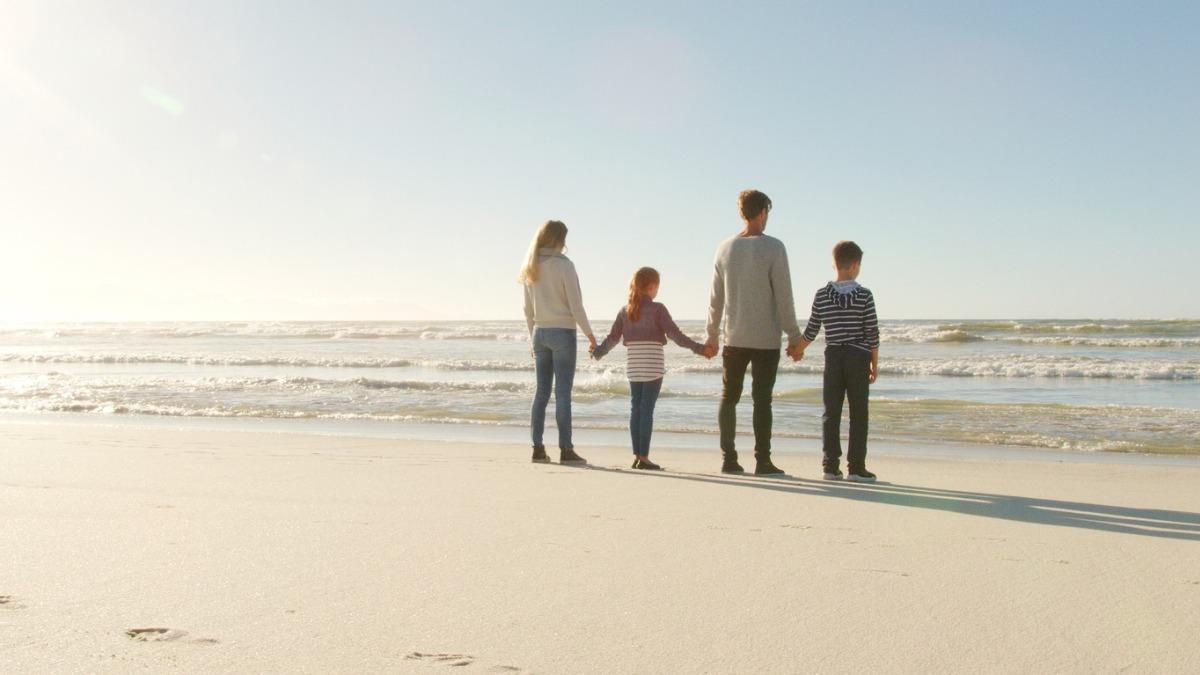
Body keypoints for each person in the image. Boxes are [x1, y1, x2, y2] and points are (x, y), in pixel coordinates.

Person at [704, 190, 804, 475]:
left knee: (729, 397)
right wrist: (795, 338)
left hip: (734, 337)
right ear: (762, 212)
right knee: (762, 400)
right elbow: (784, 296)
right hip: (765, 339)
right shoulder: (774, 248)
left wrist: (712, 336)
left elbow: (715, 299)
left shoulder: (723, 249)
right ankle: (762, 460)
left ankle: (729, 459)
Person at [591, 267, 711, 470]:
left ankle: (638, 455)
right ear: (652, 286)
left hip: (634, 366)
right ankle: (644, 458)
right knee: (646, 411)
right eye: (658, 287)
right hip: (653, 365)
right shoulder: (658, 309)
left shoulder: (625, 310)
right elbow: (676, 335)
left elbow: (612, 339)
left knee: (635, 409)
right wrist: (700, 349)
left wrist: (597, 353)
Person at [792, 240, 881, 482]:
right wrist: (875, 363)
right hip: (858, 356)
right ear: (854, 265)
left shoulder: (822, 295)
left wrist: (797, 349)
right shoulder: (864, 295)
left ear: (835, 264)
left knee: (831, 412)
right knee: (858, 413)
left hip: (833, 357)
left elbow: (812, 330)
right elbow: (872, 332)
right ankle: (856, 467)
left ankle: (830, 466)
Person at [519, 220, 596, 465]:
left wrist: (533, 338)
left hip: (539, 332)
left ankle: (537, 448)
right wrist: (590, 335)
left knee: (541, 393)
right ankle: (566, 449)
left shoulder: (531, 266)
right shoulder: (565, 266)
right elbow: (576, 306)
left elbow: (527, 311)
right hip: (562, 332)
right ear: (559, 239)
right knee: (562, 393)